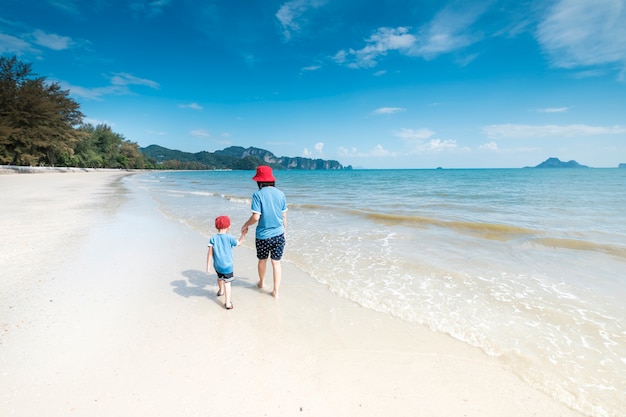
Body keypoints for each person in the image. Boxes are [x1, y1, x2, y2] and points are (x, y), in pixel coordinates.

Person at [241, 166, 287, 298]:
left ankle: (261, 283)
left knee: (262, 261)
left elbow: (256, 217)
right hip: (279, 234)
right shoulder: (281, 194)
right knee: (276, 262)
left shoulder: (257, 195)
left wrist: (245, 225)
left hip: (263, 236)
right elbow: (284, 216)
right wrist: (284, 232)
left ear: (259, 181)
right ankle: (276, 291)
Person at [206, 215, 245, 310]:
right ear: (229, 226)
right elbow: (238, 243)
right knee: (227, 282)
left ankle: (220, 291)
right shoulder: (230, 238)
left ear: (216, 227)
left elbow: (210, 253)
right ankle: (227, 303)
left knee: (219, 278)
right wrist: (243, 235)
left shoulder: (213, 238)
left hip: (217, 265)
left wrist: (208, 266)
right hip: (228, 266)